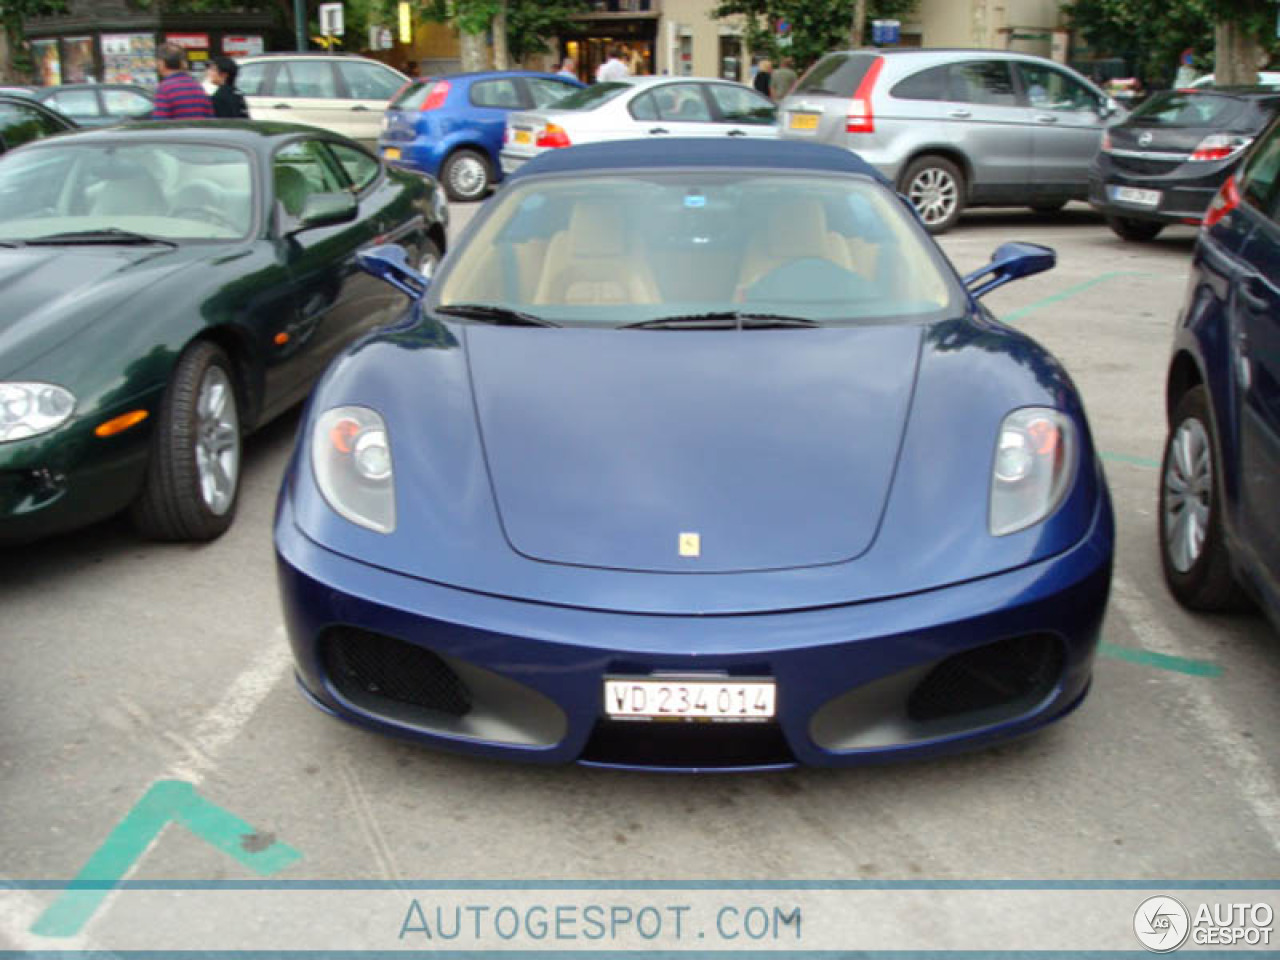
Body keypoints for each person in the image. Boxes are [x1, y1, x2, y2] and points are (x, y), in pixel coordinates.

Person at [152, 43, 213, 119]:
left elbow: (160, 123)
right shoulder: (197, 86)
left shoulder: (164, 89)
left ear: (161, 63)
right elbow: (210, 117)